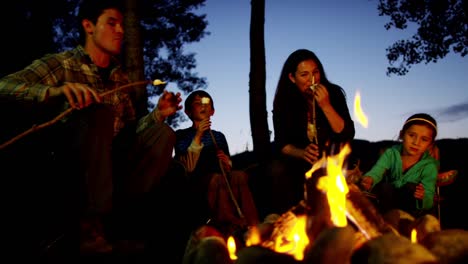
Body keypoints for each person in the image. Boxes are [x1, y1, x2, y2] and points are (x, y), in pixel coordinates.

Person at [0, 0, 182, 254]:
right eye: (111, 23)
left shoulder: (120, 77)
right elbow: (5, 86)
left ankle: (123, 221)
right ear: (88, 26)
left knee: (163, 134)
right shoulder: (63, 63)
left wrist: (157, 115)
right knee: (98, 112)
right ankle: (89, 226)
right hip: (68, 167)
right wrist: (54, 91)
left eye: (122, 25)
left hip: (111, 167)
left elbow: (131, 131)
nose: (120, 30)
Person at [270, 49, 355, 214]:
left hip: (333, 159)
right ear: (292, 78)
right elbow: (281, 143)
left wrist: (326, 105)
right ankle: (287, 219)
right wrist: (302, 153)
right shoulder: (283, 103)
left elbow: (346, 133)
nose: (312, 79)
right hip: (299, 163)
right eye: (304, 75)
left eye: (315, 72)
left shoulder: (334, 93)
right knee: (276, 169)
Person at [174, 90, 259, 235]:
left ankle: (253, 225)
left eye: (207, 104)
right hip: (197, 181)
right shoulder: (181, 135)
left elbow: (227, 163)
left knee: (239, 176)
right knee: (216, 179)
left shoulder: (219, 137)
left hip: (220, 176)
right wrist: (198, 135)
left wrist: (227, 163)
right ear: (188, 112)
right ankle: (230, 225)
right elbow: (186, 166)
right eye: (197, 103)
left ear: (212, 111)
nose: (203, 106)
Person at [360, 113, 439, 217]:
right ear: (402, 134)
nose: (416, 142)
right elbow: (378, 170)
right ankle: (386, 222)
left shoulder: (429, 166)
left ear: (430, 144)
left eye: (424, 139)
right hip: (389, 201)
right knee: (384, 187)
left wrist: (422, 196)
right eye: (411, 135)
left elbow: (429, 193)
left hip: (414, 211)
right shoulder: (391, 154)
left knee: (411, 188)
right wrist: (370, 178)